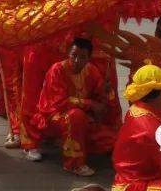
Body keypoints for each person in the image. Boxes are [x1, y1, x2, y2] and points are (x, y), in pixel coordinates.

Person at [24, 37, 118, 176]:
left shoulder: (91, 70)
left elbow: (100, 97)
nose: (76, 60)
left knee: (112, 141)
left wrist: (106, 92)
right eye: (74, 55)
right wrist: (90, 104)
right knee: (75, 115)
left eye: (82, 57)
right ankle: (73, 164)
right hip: (53, 117)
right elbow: (59, 102)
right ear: (68, 53)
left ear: (88, 58)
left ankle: (67, 142)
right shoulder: (57, 69)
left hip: (84, 119)